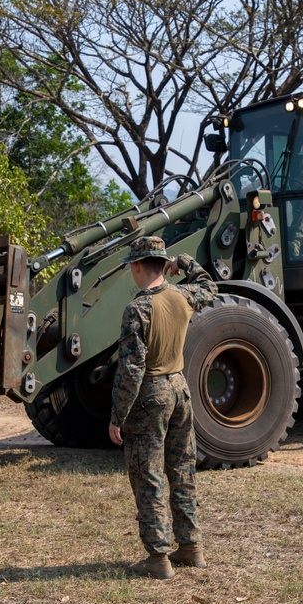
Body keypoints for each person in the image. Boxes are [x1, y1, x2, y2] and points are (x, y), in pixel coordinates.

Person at [109, 236, 218, 579]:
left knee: (148, 476)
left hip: (152, 394)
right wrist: (184, 262)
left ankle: (158, 558)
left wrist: (117, 417)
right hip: (180, 389)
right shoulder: (182, 296)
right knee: (182, 470)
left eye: (131, 265)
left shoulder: (137, 309)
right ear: (162, 263)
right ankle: (191, 548)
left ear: (138, 266)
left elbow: (131, 369)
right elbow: (209, 286)